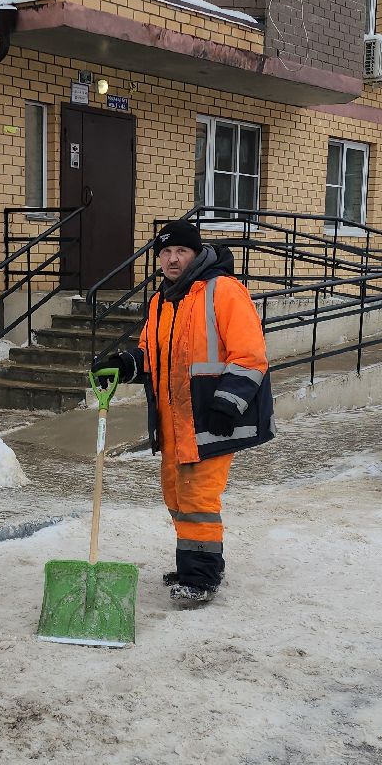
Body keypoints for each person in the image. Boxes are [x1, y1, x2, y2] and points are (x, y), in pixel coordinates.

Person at [95, 220, 273, 607]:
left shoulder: (223, 291)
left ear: (195, 253)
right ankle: (197, 561)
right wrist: (126, 364)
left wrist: (229, 402)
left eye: (181, 252)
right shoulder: (162, 300)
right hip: (173, 421)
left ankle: (200, 579)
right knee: (176, 495)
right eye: (165, 252)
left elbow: (250, 355)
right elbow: (153, 356)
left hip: (209, 419)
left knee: (197, 499)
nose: (172, 259)